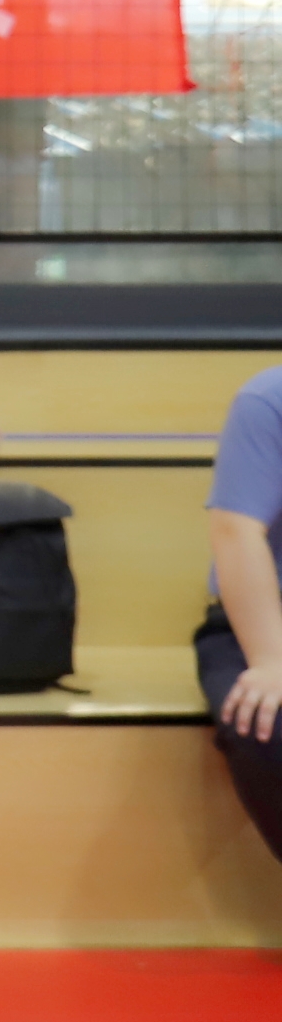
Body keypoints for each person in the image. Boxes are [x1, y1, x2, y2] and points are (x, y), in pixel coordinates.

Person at [201, 364, 282, 860]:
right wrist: (272, 661)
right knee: (265, 723)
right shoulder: (268, 399)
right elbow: (236, 531)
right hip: (265, 624)